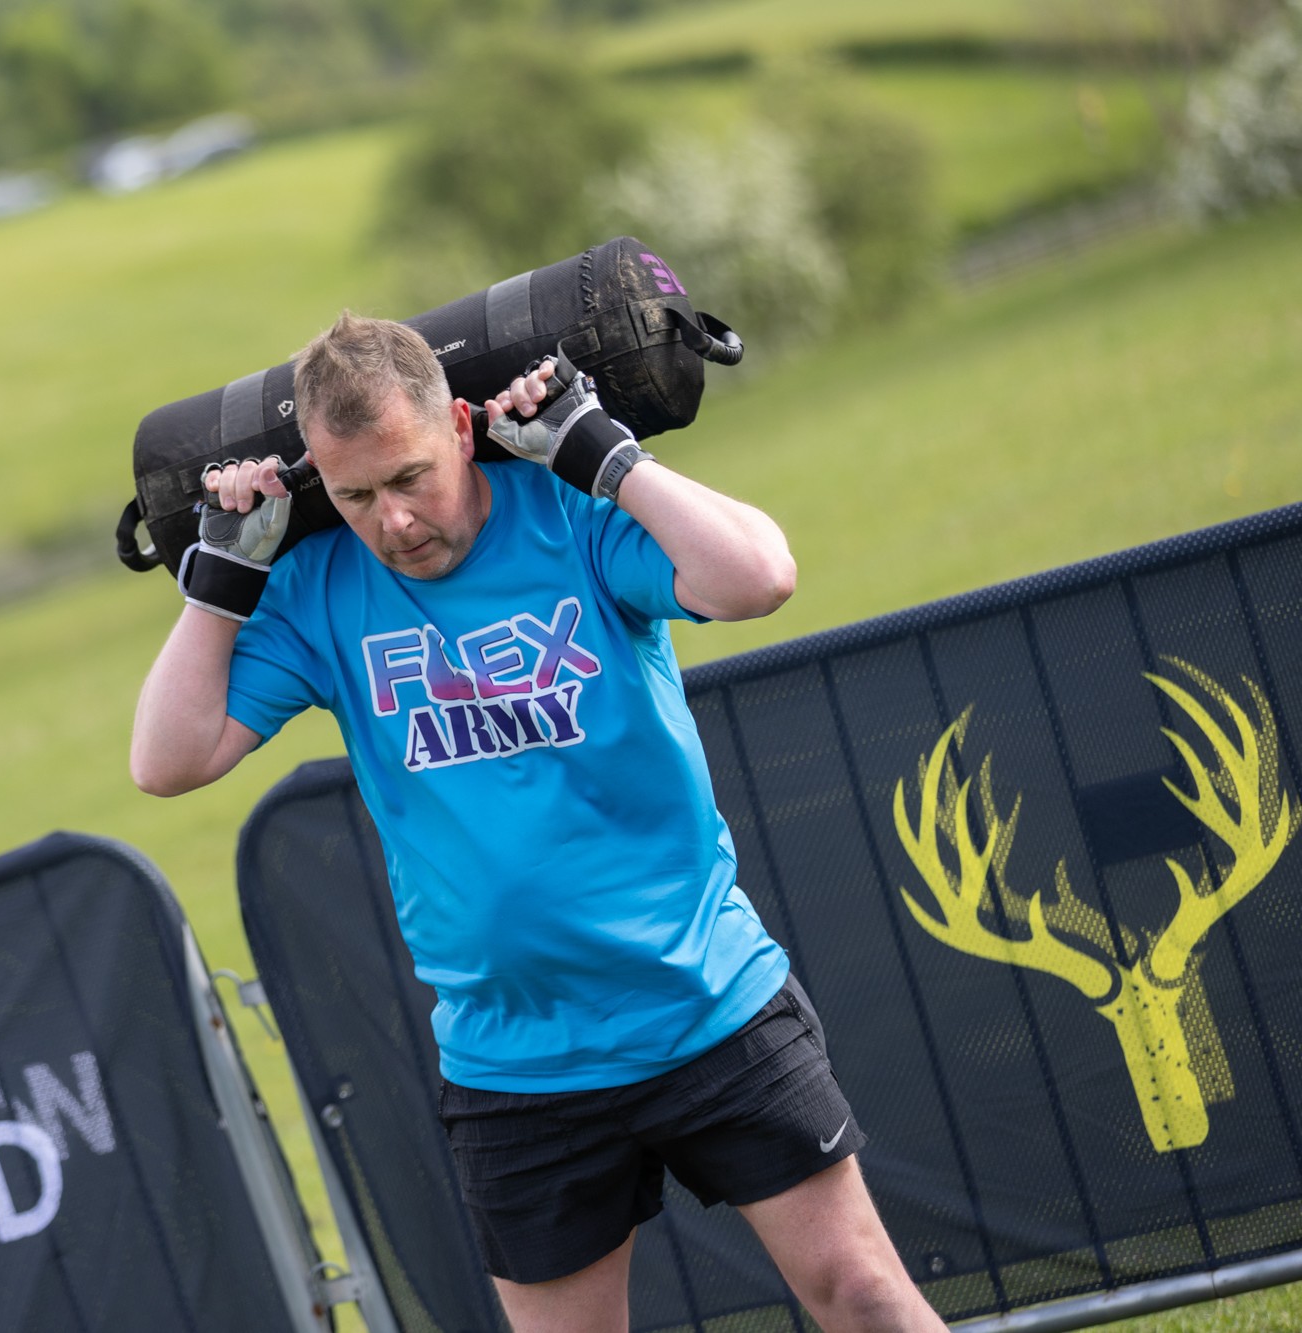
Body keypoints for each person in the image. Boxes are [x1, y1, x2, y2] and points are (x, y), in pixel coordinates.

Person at [131, 312, 946, 1333]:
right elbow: (166, 761)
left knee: (863, 1294)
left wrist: (606, 457)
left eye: (409, 477)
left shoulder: (571, 513)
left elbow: (758, 578)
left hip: (704, 1001)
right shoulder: (319, 588)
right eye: (354, 495)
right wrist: (219, 578)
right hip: (513, 1064)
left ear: (462, 432)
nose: (392, 521)